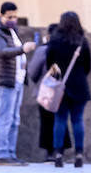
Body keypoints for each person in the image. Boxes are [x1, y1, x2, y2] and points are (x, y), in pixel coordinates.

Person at [0, 1, 35, 165]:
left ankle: (11, 153)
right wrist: (23, 49)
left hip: (17, 80)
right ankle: (3, 153)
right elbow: (2, 51)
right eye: (9, 16)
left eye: (15, 16)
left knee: (14, 118)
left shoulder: (12, 31)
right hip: (5, 80)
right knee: (6, 117)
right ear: (1, 16)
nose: (13, 19)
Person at [46, 10, 91, 168]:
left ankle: (58, 153)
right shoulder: (82, 41)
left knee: (59, 120)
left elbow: (49, 63)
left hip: (60, 85)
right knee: (78, 120)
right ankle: (79, 154)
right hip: (79, 85)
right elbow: (88, 65)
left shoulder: (55, 40)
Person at [28, 23, 69, 161]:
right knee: (62, 119)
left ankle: (50, 152)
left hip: (46, 91)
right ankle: (61, 150)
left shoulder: (43, 50)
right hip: (64, 90)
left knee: (47, 121)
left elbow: (33, 72)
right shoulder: (68, 48)